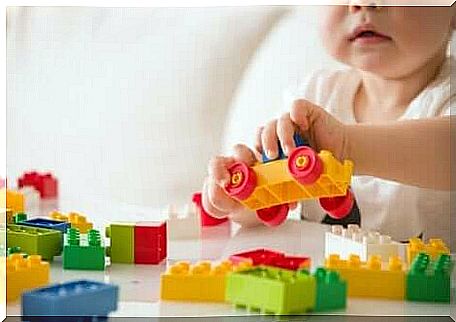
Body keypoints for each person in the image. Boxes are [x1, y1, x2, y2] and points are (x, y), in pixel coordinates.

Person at [202, 5, 455, 247]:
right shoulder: (314, 95)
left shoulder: (448, 98)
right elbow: (273, 202)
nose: (361, 3)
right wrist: (243, 195)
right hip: (320, 286)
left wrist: (348, 146)